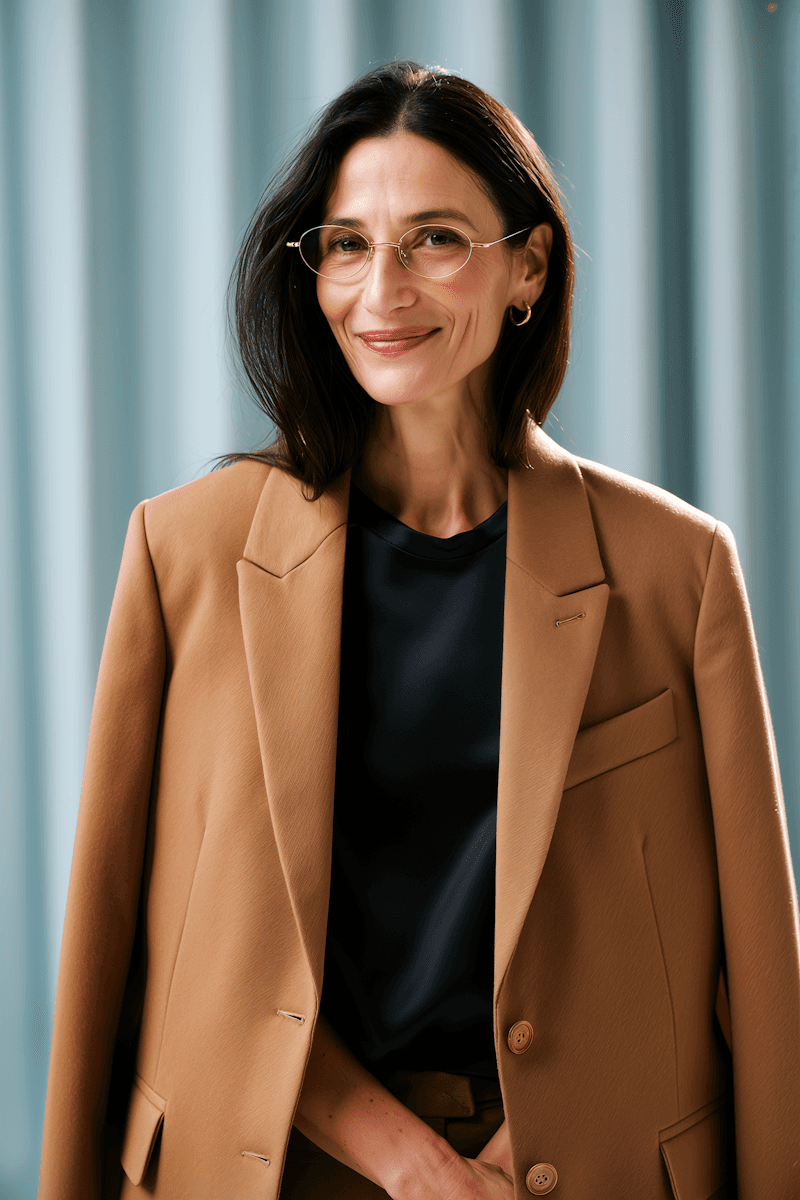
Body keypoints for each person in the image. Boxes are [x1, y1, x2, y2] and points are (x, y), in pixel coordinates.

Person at [38, 60, 800, 1200]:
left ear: (527, 267)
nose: (379, 288)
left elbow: (754, 975)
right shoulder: (182, 553)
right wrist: (407, 1161)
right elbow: (124, 941)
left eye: (434, 238)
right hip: (272, 1163)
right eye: (344, 244)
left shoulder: (675, 570)